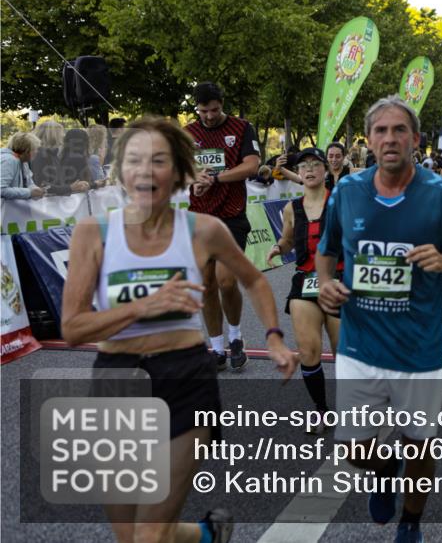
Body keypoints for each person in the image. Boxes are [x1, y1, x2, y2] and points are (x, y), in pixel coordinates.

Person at [60, 116, 296, 543]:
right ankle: (208, 534)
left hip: (185, 377)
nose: (145, 171)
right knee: (129, 534)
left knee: (149, 534)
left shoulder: (203, 230)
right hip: (117, 379)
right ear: (119, 170)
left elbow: (256, 279)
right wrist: (145, 306)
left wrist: (275, 337)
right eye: (133, 161)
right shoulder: (93, 233)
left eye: (158, 161)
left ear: (182, 172)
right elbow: (73, 329)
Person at [315, 97, 442, 543]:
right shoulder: (348, 190)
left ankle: (410, 521)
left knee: (419, 446)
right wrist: (326, 283)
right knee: (354, 449)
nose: (390, 138)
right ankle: (384, 468)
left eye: (399, 130)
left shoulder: (441, 193)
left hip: (419, 347)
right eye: (381, 131)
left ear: (414, 138)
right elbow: (327, 250)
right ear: (369, 140)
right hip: (359, 342)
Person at [184, 81, 262, 371]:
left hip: (231, 217)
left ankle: (236, 336)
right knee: (206, 285)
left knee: (227, 281)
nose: (208, 116)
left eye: (214, 110)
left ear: (222, 104)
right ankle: (216, 348)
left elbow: (251, 166)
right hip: (200, 218)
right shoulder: (188, 133)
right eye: (203, 111)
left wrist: (216, 178)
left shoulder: (242, 128)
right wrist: (196, 180)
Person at [267, 147, 339, 435]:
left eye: (315, 164)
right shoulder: (290, 208)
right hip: (305, 281)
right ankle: (322, 412)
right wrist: (277, 248)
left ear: (325, 170)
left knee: (344, 353)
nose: (309, 170)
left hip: (339, 281)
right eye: (304, 165)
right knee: (308, 350)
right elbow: (286, 241)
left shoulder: (341, 203)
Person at [1, 131, 45, 200]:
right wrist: (29, 192)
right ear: (26, 150)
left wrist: (38, 191)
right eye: (34, 149)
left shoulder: (24, 162)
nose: (36, 152)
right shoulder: (9, 160)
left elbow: (29, 184)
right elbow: (1, 190)